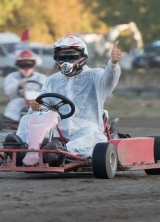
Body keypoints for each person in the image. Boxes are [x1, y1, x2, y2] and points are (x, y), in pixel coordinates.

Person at [6, 35, 121, 165]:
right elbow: (45, 108)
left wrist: (113, 64)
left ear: (82, 56)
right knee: (27, 118)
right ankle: (21, 150)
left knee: (91, 134)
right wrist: (37, 108)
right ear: (57, 59)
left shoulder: (95, 76)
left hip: (86, 127)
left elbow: (110, 79)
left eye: (72, 57)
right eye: (62, 58)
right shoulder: (52, 80)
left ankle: (59, 153)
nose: (66, 61)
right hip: (57, 128)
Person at [3, 49, 47, 126]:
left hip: (37, 103)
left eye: (29, 64)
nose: (26, 67)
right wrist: (17, 85)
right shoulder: (12, 77)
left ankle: (41, 119)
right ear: (18, 65)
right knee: (16, 103)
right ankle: (14, 120)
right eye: (23, 65)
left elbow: (48, 91)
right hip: (19, 101)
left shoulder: (41, 78)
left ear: (34, 64)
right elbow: (8, 91)